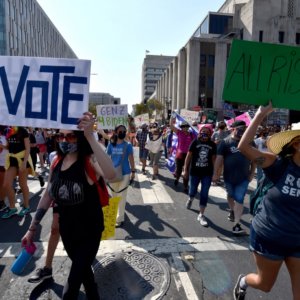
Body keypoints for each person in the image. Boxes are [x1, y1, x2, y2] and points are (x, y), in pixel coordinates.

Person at [22, 112, 116, 299]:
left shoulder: (89, 160)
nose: (65, 140)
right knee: (86, 275)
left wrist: (90, 135)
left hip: (89, 232)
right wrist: (32, 228)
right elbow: (48, 194)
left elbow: (111, 174)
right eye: (61, 136)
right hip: (68, 233)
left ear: (79, 137)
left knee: (71, 289)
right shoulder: (56, 160)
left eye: (71, 135)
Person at [233, 102, 300, 300]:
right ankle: (243, 281)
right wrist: (261, 114)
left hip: (298, 241)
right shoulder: (277, 164)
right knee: (265, 285)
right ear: (296, 144)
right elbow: (244, 147)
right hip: (270, 238)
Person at [212, 120, 256, 235]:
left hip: (243, 178)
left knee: (239, 199)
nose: (242, 131)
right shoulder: (225, 142)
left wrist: (252, 173)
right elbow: (219, 159)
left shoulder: (250, 142)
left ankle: (236, 225)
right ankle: (232, 210)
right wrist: (215, 173)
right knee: (230, 195)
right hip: (228, 177)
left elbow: (255, 159)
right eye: (240, 129)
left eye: (244, 129)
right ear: (233, 129)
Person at [183, 126, 216, 226]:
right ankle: (190, 198)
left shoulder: (213, 145)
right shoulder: (195, 142)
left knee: (204, 193)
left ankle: (201, 214)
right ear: (200, 132)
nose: (204, 133)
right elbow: (188, 156)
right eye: (203, 131)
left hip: (207, 173)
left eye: (207, 132)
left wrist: (215, 174)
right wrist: (185, 170)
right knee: (192, 190)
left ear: (210, 134)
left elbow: (214, 160)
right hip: (195, 172)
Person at [2, 126, 35, 218]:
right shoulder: (7, 130)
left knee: (22, 184)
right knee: (6, 184)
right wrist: (2, 146)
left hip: (22, 159)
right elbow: (9, 146)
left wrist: (24, 163)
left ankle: (27, 206)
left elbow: (28, 148)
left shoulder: (22, 130)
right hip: (12, 160)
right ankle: (13, 208)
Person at [106, 125, 135, 227]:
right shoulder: (111, 144)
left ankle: (120, 218)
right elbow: (107, 157)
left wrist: (133, 172)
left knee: (122, 196)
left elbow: (131, 158)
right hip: (113, 174)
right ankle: (115, 214)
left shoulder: (128, 145)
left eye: (124, 131)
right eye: (120, 131)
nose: (122, 132)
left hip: (125, 173)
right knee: (114, 196)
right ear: (115, 132)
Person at [169, 117, 196, 192]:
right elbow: (171, 126)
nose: (185, 128)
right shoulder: (179, 132)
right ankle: (177, 178)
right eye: (183, 126)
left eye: (187, 126)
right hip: (179, 154)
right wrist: (172, 117)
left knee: (186, 170)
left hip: (188, 155)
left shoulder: (192, 135)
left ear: (188, 127)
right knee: (179, 170)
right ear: (182, 127)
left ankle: (185, 186)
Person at [0, 125, 8, 211]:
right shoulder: (6, 137)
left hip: (4, 164)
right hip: (3, 164)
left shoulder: (6, 138)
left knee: (2, 184)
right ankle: (2, 202)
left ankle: (2, 202)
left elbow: (10, 148)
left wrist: (2, 146)